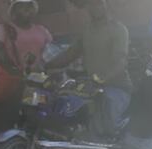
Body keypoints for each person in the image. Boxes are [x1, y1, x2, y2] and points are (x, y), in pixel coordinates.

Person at [47, 0, 131, 136]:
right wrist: (46, 66)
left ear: (106, 4)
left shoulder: (118, 29)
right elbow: (70, 54)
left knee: (108, 128)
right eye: (91, 3)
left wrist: (101, 79)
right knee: (64, 109)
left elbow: (120, 62)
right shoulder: (86, 30)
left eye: (99, 3)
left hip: (116, 87)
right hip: (91, 88)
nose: (95, 7)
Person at [0, 0, 53, 130]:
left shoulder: (42, 30)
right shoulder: (4, 29)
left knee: (39, 112)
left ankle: (36, 136)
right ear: (14, 11)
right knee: (15, 116)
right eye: (23, 7)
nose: (27, 10)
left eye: (30, 7)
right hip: (14, 80)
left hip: (38, 80)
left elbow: (51, 54)